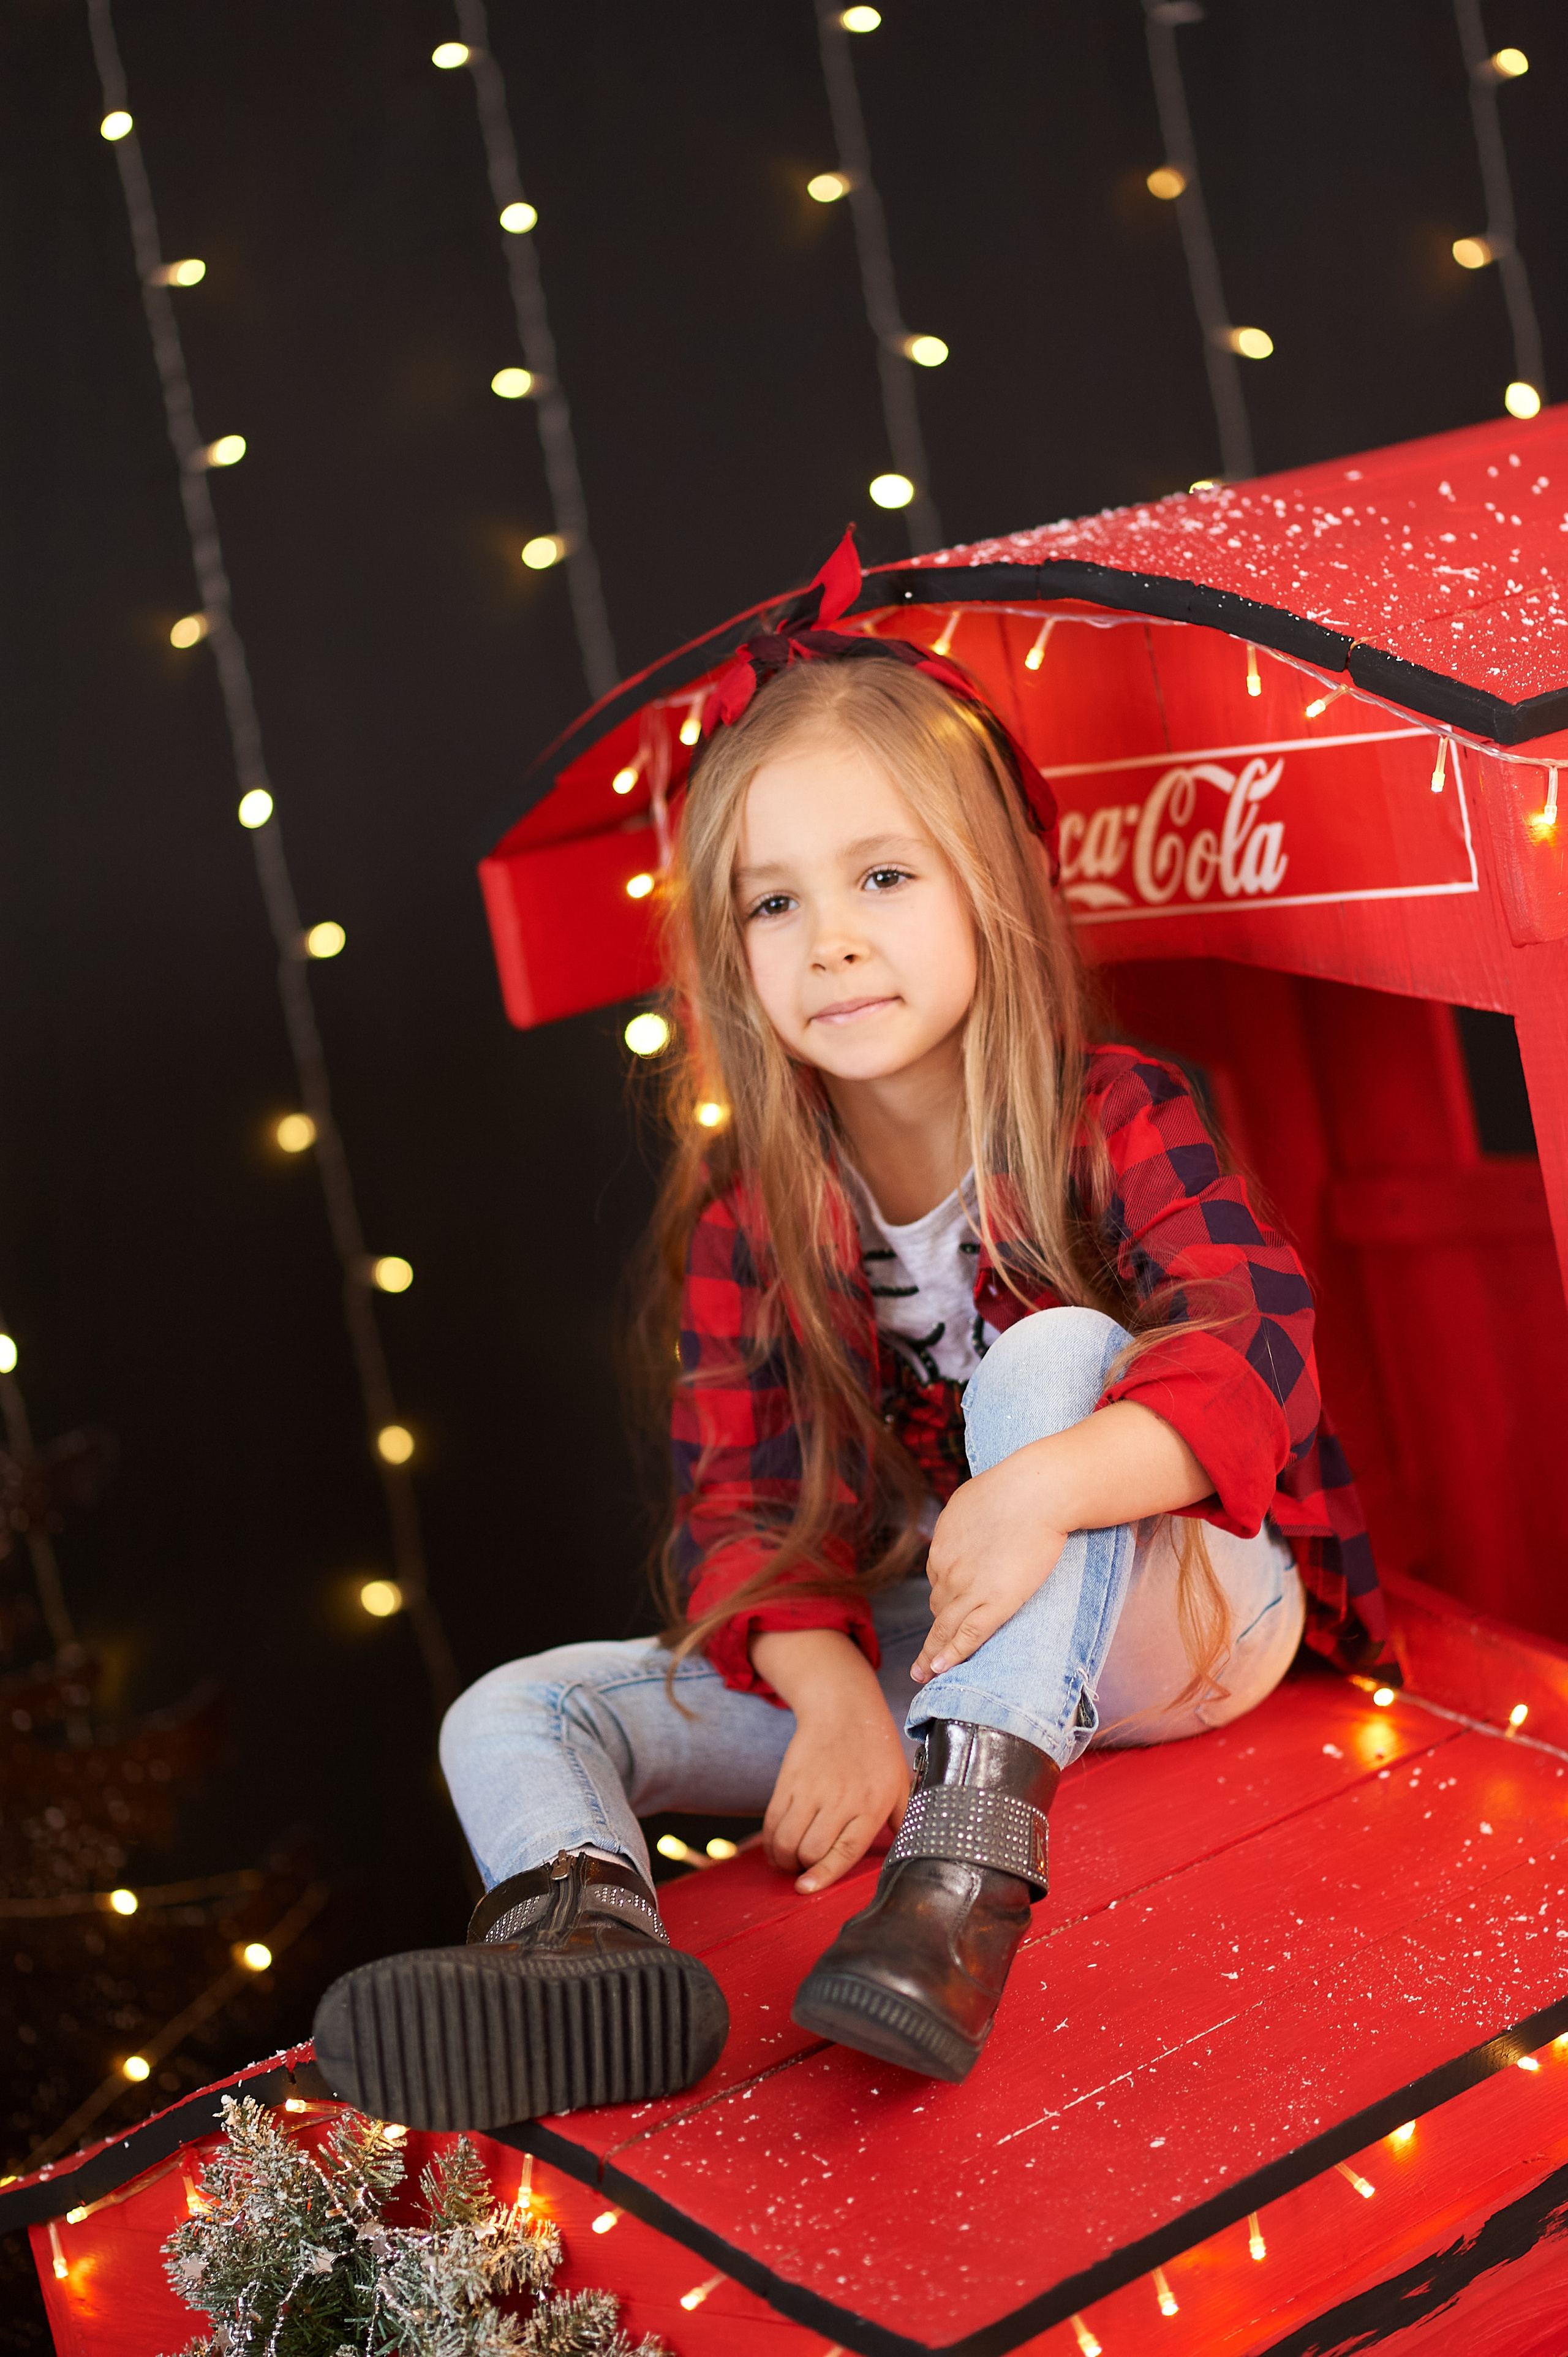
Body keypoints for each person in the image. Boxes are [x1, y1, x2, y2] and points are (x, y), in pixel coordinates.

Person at [313, 534, 1392, 2128]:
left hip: (1187, 1619)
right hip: (936, 1642)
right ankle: (587, 1944)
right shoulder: (758, 1214)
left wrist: (1039, 1486)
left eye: (883, 876)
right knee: (517, 1707)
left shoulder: (1110, 1115)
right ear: (732, 954)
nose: (829, 938)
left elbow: (1259, 1341)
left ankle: (962, 1880)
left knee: (1049, 1365)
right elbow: (739, 1505)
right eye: (775, 900)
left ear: (994, 887)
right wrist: (827, 1697)